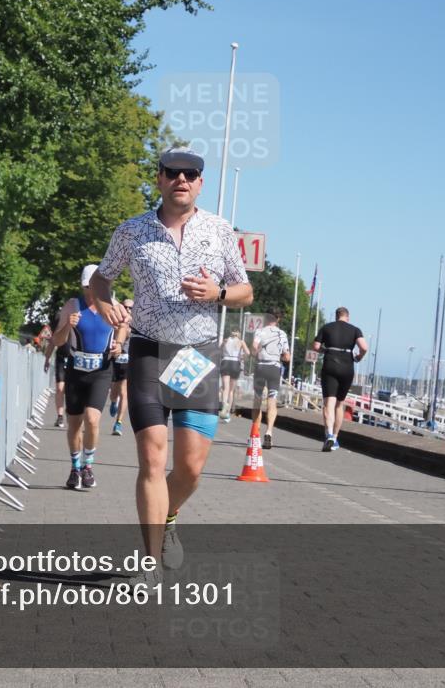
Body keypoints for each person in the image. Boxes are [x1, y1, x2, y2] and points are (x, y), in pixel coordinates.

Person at [89, 147, 252, 578]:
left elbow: (245, 291)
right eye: (173, 173)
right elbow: (101, 279)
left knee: (191, 468)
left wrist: (216, 294)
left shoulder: (219, 230)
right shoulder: (132, 231)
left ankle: (170, 516)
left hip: (198, 355)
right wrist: (105, 306)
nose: (182, 180)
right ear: (159, 179)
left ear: (200, 183)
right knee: (151, 459)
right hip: (147, 349)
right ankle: (149, 562)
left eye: (191, 174)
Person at [52, 264, 126, 490]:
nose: (90, 292)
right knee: (74, 424)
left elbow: (124, 326)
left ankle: (88, 466)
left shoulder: (113, 305)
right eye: (87, 287)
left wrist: (119, 344)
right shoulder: (73, 305)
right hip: (76, 370)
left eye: (93, 286)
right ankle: (75, 468)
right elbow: (57, 341)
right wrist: (67, 325)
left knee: (93, 420)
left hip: (101, 370)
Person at [312, 307, 368, 452]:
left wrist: (326, 350)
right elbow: (364, 347)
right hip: (347, 367)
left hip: (330, 364)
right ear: (347, 317)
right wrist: (358, 357)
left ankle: (329, 434)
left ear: (336, 316)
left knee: (328, 403)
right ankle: (335, 438)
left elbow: (316, 346)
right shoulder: (355, 330)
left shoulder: (326, 327)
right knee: (340, 404)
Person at [249, 313, 290, 449]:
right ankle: (269, 432)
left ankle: (255, 435)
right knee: (272, 402)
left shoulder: (260, 331)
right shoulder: (282, 334)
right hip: (274, 368)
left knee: (257, 400)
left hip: (260, 366)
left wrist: (256, 353)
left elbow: (254, 348)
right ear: (278, 319)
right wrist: (280, 356)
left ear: (266, 318)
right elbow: (287, 357)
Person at [108, 298, 134, 436]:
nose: (128, 310)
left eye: (131, 308)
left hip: (127, 360)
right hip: (114, 359)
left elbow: (130, 334)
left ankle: (118, 423)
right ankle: (113, 401)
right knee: (114, 392)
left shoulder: (135, 322)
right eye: (126, 307)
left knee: (124, 392)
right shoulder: (114, 319)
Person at [42, 315, 70, 429]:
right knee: (59, 388)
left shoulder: (78, 325)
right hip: (61, 359)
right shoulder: (59, 328)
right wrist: (47, 360)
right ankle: (60, 416)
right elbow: (52, 343)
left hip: (75, 360)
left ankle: (73, 413)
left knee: (72, 390)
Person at [218, 329, 249, 422]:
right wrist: (242, 357)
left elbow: (219, 350)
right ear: (239, 334)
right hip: (235, 362)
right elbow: (248, 353)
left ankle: (224, 405)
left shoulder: (225, 340)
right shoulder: (241, 342)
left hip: (225, 362)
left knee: (225, 388)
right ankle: (227, 413)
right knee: (231, 390)